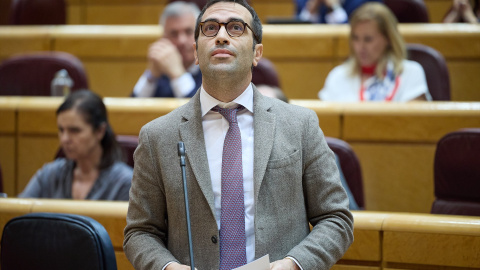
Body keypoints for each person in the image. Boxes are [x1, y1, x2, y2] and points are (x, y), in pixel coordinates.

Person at [124, 0, 354, 269]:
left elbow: (336, 218)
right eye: (210, 28)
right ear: (196, 53)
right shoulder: (157, 136)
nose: (221, 36)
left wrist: (294, 263)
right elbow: (140, 233)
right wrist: (167, 267)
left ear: (257, 53)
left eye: (236, 28)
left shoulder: (300, 125)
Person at [18, 90, 132, 201]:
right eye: (61, 130)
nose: (65, 139)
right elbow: (16, 214)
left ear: (100, 131)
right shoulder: (49, 175)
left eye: (74, 130)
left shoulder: (124, 183)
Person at [318, 2, 432, 102]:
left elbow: (416, 124)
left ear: (388, 38)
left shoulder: (410, 73)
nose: (360, 47)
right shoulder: (338, 76)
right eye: (355, 38)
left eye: (368, 39)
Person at [132, 2, 202, 98]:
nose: (181, 41)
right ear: (164, 38)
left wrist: (178, 75)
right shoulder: (162, 68)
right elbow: (132, 109)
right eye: (174, 34)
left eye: (188, 32)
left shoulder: (212, 69)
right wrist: (151, 76)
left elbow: (202, 111)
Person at [296, 0, 381, 24]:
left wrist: (334, 8)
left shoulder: (365, 3)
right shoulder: (303, 1)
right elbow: (295, 34)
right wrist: (311, 11)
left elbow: (359, 36)